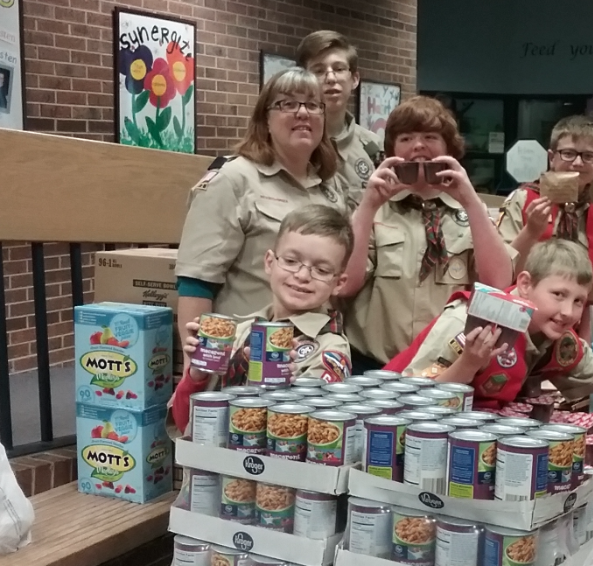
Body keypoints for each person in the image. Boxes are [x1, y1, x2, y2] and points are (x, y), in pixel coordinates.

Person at [174, 67, 345, 369]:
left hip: (313, 356)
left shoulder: (331, 187)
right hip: (246, 355)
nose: (303, 113)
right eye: (288, 104)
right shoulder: (233, 180)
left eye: (313, 104)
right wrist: (195, 367)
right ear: (264, 119)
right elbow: (197, 281)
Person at [384, 239, 593, 415]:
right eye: (558, 295)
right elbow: (411, 399)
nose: (568, 313)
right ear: (525, 285)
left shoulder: (557, 338)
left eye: (578, 301)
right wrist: (468, 364)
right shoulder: (469, 320)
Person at [341, 96, 515, 370]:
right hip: (373, 367)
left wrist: (469, 201)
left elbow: (497, 284)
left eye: (430, 137)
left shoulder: (472, 212)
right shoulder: (373, 210)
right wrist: (368, 206)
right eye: (406, 138)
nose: (418, 145)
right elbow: (345, 284)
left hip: (446, 369)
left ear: (449, 148)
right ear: (392, 150)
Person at [170, 204, 354, 434]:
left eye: (322, 270)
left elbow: (310, 435)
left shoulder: (330, 349)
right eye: (291, 261)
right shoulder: (240, 332)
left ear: (339, 283)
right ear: (269, 262)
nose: (302, 275)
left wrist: (285, 386)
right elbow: (185, 423)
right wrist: (198, 374)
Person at [497, 116, 593, 312]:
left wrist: (583, 342)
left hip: (570, 332)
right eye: (568, 153)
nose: (578, 162)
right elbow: (497, 274)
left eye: (588, 156)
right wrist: (530, 232)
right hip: (513, 321)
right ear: (552, 157)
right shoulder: (523, 200)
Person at [295, 30, 382, 211]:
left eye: (339, 69)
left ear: (355, 79)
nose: (331, 78)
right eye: (319, 70)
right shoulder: (289, 146)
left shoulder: (374, 149)